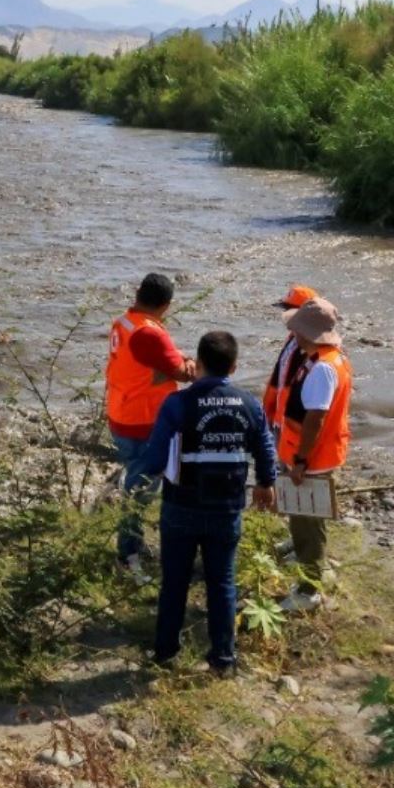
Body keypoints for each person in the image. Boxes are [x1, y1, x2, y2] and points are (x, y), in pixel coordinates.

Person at [145, 330, 278, 673]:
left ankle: (165, 654)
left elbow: (154, 459)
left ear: (198, 364)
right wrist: (266, 482)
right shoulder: (249, 404)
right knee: (222, 582)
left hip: (181, 507)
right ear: (234, 367)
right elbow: (265, 448)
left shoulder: (177, 404)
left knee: (174, 581)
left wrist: (154, 469)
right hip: (227, 508)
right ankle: (223, 659)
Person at [106, 272, 195, 570]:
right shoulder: (150, 333)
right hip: (143, 421)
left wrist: (171, 365)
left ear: (138, 295)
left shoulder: (124, 322)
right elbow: (183, 373)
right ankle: (127, 555)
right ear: (166, 306)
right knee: (141, 491)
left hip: (121, 414)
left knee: (135, 482)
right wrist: (187, 365)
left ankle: (133, 542)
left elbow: (165, 361)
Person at [274, 298, 355, 579]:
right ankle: (304, 554)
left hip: (312, 458)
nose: (293, 334)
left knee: (308, 519)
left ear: (306, 333)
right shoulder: (329, 358)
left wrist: (300, 461)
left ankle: (311, 584)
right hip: (317, 453)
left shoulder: (321, 369)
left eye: (296, 329)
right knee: (304, 516)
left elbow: (315, 419)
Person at [262, 284, 320, 440]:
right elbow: (277, 382)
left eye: (288, 310)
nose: (285, 315)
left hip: (294, 430)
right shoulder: (293, 339)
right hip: (279, 424)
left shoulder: (312, 348)